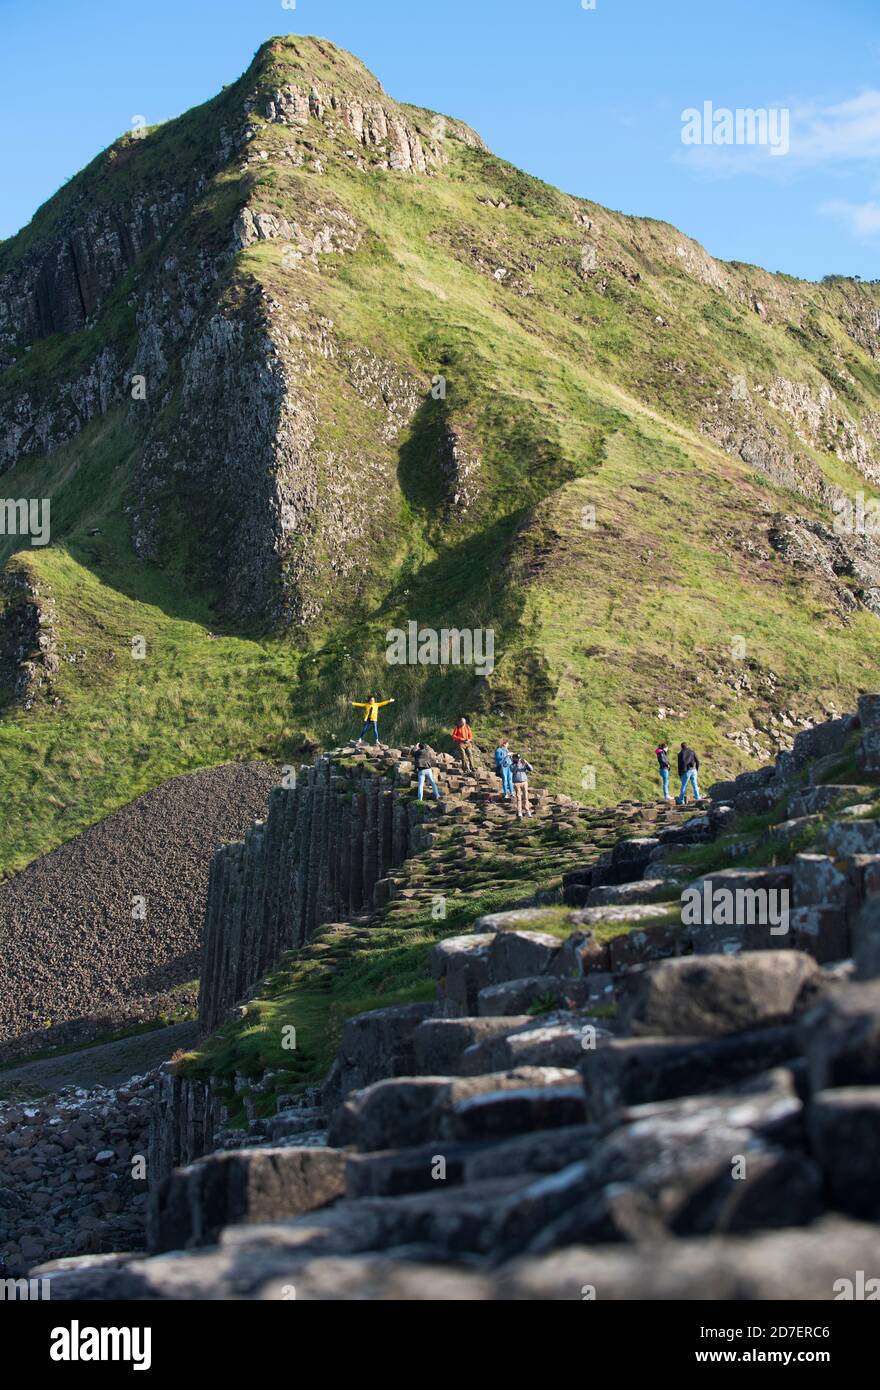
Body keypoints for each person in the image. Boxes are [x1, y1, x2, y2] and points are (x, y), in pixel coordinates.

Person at [510, 752, 533, 819]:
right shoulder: (512, 765)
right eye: (516, 758)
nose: (518, 759)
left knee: (526, 797)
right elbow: (513, 771)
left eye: (519, 758)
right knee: (519, 798)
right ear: (514, 758)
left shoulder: (523, 763)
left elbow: (531, 769)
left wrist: (527, 763)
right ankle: (519, 812)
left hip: (524, 782)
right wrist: (517, 764)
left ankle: (527, 811)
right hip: (516, 783)